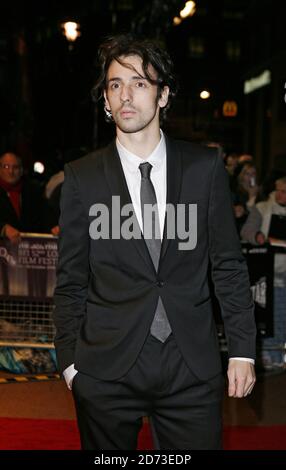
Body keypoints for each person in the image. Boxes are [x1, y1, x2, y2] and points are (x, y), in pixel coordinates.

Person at [53, 35, 256, 450]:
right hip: (106, 368)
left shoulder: (204, 168)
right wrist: (71, 366)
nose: (126, 95)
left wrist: (243, 350)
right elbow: (71, 278)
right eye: (114, 85)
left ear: (163, 95)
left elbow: (228, 265)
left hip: (190, 367)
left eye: (140, 83)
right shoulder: (81, 178)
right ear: (106, 100)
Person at [241, 177, 286, 368]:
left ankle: (279, 355)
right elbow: (246, 232)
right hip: (268, 273)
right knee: (272, 315)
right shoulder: (262, 208)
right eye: (281, 191)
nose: (283, 195)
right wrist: (258, 236)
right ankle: (270, 355)